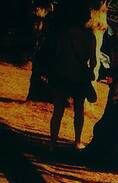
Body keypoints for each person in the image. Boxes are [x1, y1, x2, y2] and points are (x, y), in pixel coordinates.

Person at [47, 4, 98, 148]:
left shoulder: (65, 33)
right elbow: (93, 61)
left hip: (62, 74)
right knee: (79, 110)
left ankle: (53, 141)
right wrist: (89, 70)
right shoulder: (90, 36)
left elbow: (58, 53)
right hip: (80, 77)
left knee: (58, 110)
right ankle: (77, 140)